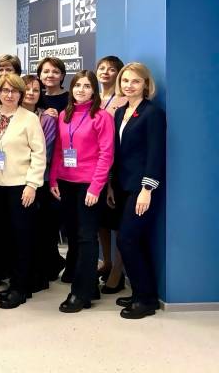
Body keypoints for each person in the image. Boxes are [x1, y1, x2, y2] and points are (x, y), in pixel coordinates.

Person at [0, 73, 46, 309]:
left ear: (21, 94)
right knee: (1, 236)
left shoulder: (29, 119)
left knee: (21, 238)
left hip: (21, 187)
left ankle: (20, 287)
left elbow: (39, 154)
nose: (9, 95)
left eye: (14, 91)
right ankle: (10, 279)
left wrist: (32, 185)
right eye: (5, 90)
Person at [49, 70, 114, 313]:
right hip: (66, 182)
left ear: (94, 90)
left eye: (87, 86)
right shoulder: (65, 114)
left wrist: (96, 187)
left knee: (87, 236)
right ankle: (90, 286)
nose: (81, 90)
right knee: (75, 236)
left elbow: (107, 154)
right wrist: (53, 178)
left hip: (89, 184)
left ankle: (80, 293)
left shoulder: (101, 116)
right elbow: (59, 149)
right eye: (78, 85)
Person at [110, 62, 165, 319]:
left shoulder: (152, 113)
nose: (129, 85)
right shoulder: (121, 112)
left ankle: (145, 300)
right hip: (123, 185)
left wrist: (147, 189)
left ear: (145, 84)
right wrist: (111, 184)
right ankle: (143, 293)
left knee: (127, 240)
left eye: (135, 81)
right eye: (125, 81)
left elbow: (155, 154)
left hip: (141, 188)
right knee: (137, 241)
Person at [21, 74, 64, 291]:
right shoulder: (7, 116)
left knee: (40, 231)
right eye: (26, 89)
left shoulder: (46, 119)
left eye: (36, 90)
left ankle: (40, 276)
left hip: (39, 182)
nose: (30, 93)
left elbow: (44, 153)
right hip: (13, 182)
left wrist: (20, 162)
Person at [95, 55, 127, 292]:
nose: (105, 72)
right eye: (102, 68)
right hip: (93, 166)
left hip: (116, 167)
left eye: (112, 69)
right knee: (100, 221)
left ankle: (118, 269)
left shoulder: (124, 100)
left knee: (118, 221)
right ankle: (105, 262)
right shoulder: (94, 98)